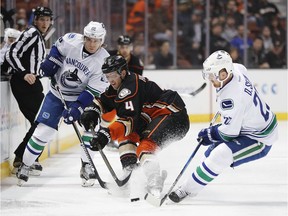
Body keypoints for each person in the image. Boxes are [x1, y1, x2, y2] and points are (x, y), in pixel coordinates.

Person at [169, 50, 278, 203]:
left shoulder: (231, 97)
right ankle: (200, 178)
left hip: (260, 137)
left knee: (220, 155)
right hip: (250, 124)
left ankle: (186, 189)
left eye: (213, 75)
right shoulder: (237, 69)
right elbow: (241, 73)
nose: (210, 79)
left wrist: (210, 133)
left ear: (224, 73)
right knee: (211, 154)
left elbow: (228, 133)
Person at [79, 55, 190, 197]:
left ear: (123, 72)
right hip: (153, 116)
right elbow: (103, 101)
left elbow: (128, 121)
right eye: (107, 76)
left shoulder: (130, 87)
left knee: (145, 145)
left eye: (113, 75)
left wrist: (105, 135)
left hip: (173, 115)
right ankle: (130, 170)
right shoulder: (119, 86)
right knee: (126, 135)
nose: (110, 79)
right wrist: (92, 111)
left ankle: (154, 179)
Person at [15, 21, 110, 186]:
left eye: (96, 40)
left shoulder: (104, 61)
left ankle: (87, 166)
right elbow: (57, 50)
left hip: (82, 97)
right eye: (89, 39)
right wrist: (52, 63)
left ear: (102, 41)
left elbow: (92, 91)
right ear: (84, 37)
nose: (92, 44)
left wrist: (77, 108)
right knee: (43, 132)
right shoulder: (71, 40)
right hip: (56, 94)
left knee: (89, 128)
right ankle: (25, 165)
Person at [5, 6, 54, 175]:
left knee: (43, 121)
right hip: (23, 84)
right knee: (43, 121)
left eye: (47, 20)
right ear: (35, 19)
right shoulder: (31, 33)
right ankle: (23, 159)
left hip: (33, 84)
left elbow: (36, 63)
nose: (45, 23)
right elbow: (11, 54)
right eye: (42, 19)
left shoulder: (39, 37)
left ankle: (24, 158)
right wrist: (24, 73)